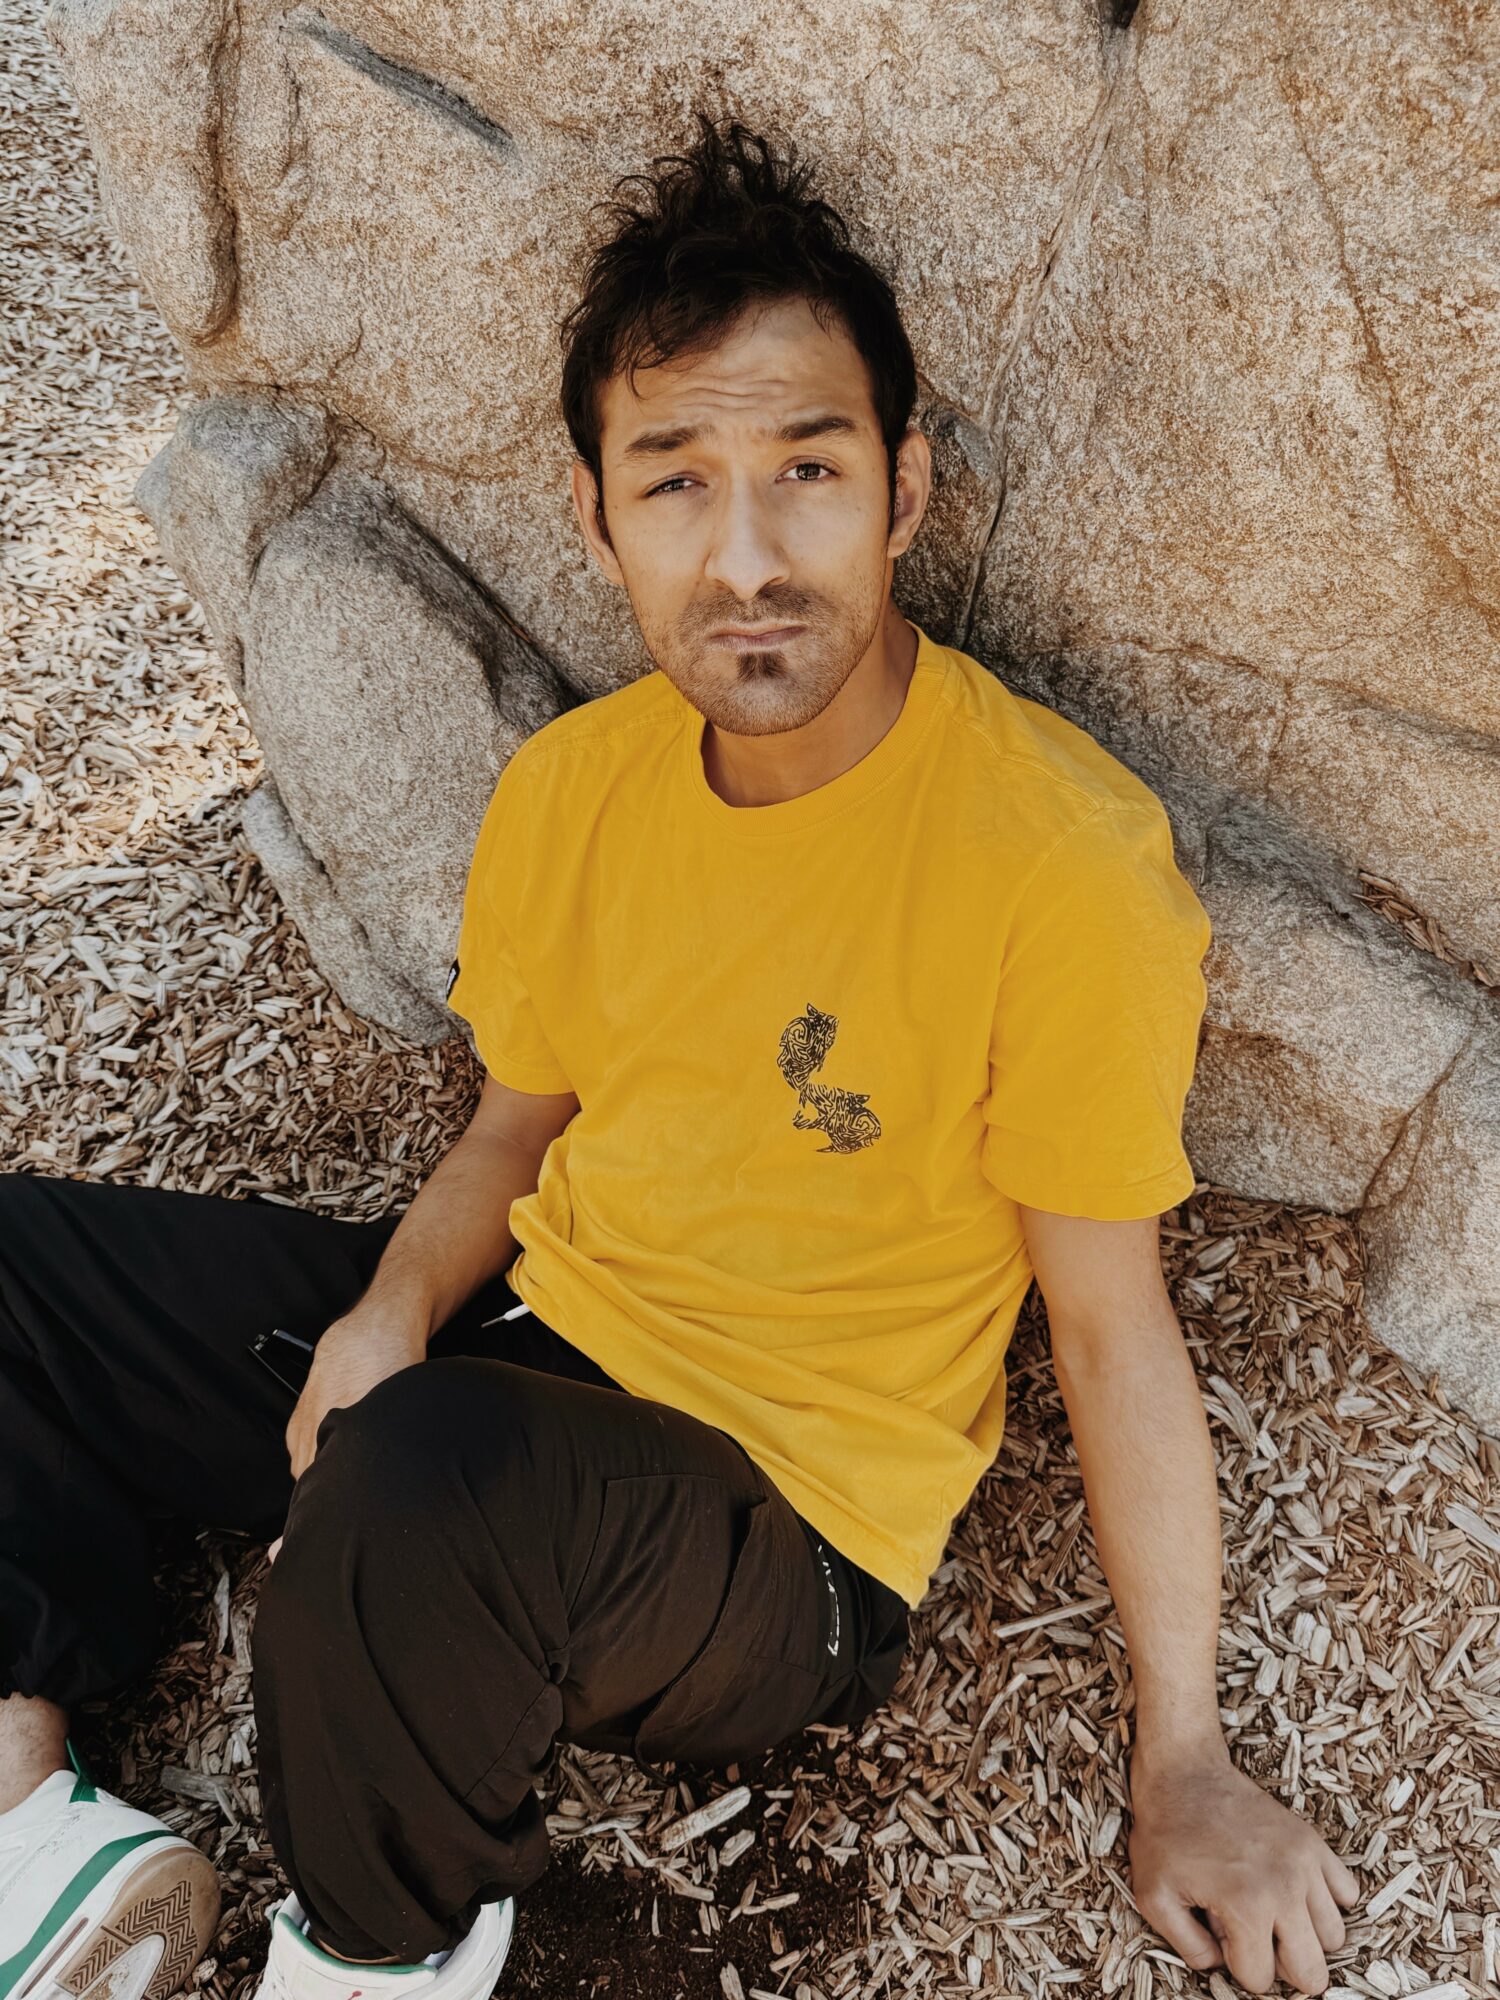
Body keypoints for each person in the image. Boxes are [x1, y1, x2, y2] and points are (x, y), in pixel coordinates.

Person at [0, 113, 1358, 2000]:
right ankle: (32, 1834)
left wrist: (1186, 1763)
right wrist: (389, 1310)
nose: (745, 556)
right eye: (675, 481)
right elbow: (513, 1129)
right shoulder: (577, 790)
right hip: (529, 1357)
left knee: (417, 1490)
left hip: (777, 1533)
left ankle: (381, 1957)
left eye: (806, 467)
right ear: (597, 514)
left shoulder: (1059, 860)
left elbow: (1115, 1324)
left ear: (906, 490)